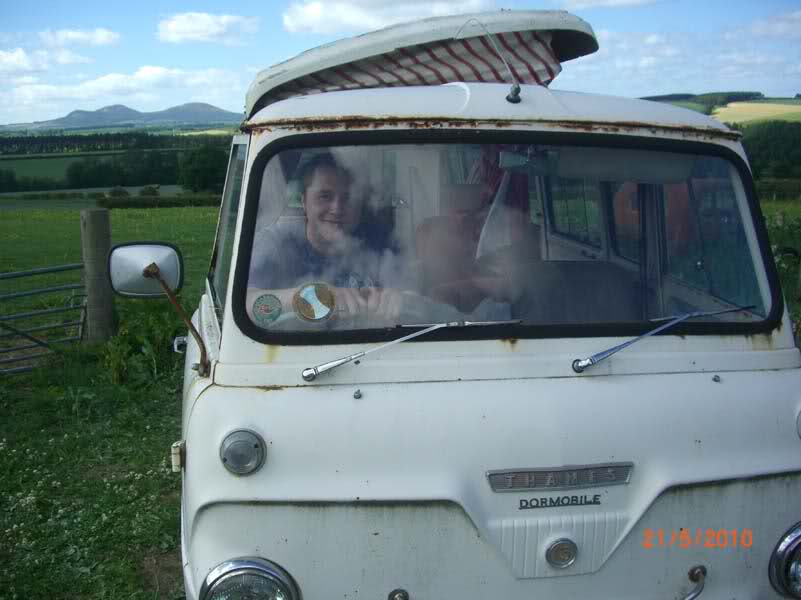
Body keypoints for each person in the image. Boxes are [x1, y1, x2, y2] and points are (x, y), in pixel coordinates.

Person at [247, 153, 405, 325]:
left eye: (347, 198)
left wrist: (399, 297)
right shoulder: (277, 244)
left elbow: (421, 296)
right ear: (304, 202)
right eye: (325, 196)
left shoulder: (380, 246)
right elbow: (246, 302)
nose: (336, 209)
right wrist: (309, 295)